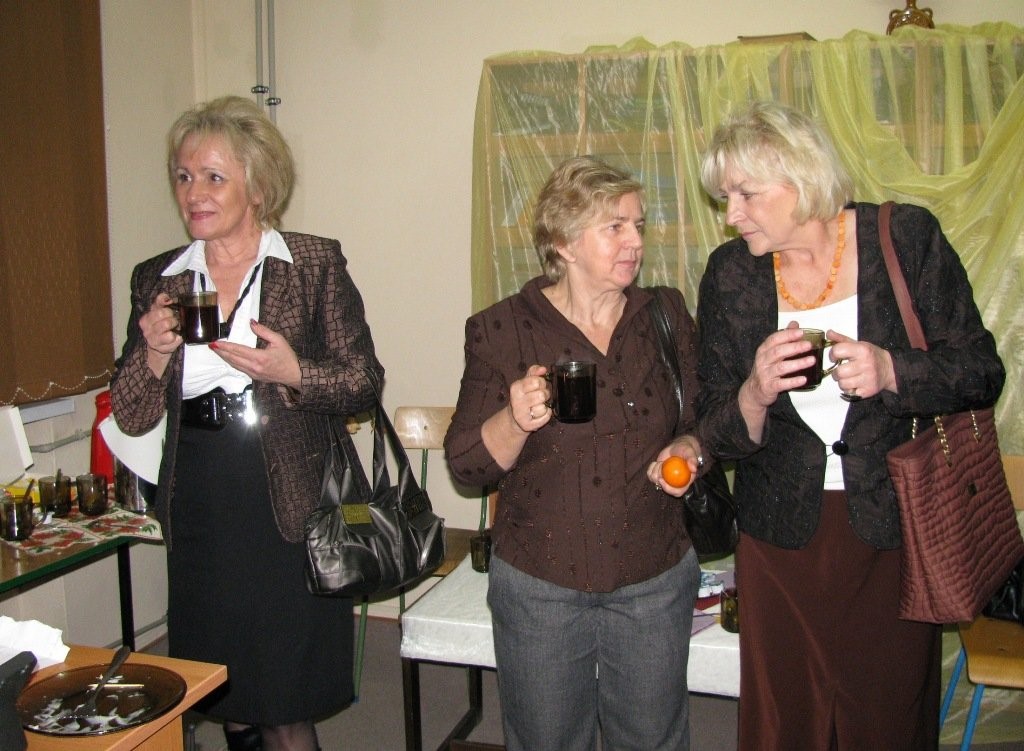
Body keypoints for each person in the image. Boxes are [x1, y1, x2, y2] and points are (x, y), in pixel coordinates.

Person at [696, 101, 1005, 750]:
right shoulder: (731, 273)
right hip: (779, 540)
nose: (731, 214)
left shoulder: (906, 239)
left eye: (745, 194)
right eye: (726, 197)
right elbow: (713, 430)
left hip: (893, 531)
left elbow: (981, 372)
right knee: (783, 725)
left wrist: (893, 370)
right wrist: (755, 390)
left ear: (801, 177)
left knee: (887, 719)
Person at [109, 95, 383, 751]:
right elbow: (131, 411)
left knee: (284, 701)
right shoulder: (159, 277)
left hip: (287, 492)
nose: (193, 193)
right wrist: (153, 351)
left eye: (214, 176)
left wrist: (295, 372)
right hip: (202, 496)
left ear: (257, 185)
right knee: (224, 688)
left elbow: (364, 380)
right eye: (183, 176)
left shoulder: (311, 264)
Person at [445, 155, 706, 751]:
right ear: (562, 241)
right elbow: (466, 464)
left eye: (639, 225)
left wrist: (690, 448)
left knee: (653, 740)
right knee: (546, 740)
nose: (635, 241)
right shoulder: (501, 329)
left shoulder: (664, 315)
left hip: (653, 575)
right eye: (615, 226)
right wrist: (514, 418)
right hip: (541, 585)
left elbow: (702, 418)